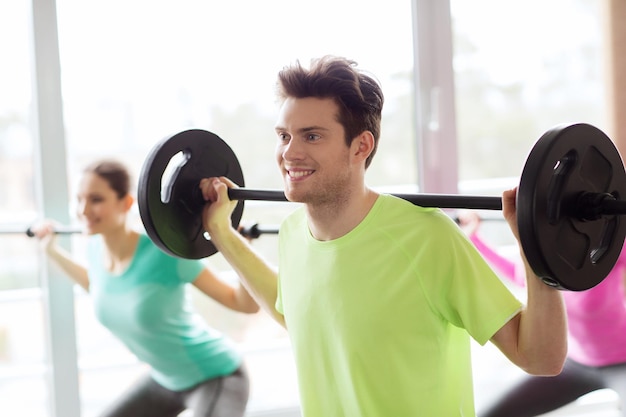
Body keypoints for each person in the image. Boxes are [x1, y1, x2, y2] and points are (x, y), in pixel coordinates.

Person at [198, 55, 568, 416]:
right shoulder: (294, 233)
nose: (290, 153)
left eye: (311, 136)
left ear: (361, 146)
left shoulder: (426, 238)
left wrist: (536, 246)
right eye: (284, 135)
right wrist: (221, 233)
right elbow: (298, 316)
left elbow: (539, 358)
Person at [31, 159, 259, 417]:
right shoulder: (95, 251)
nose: (83, 210)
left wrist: (242, 248)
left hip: (216, 374)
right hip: (165, 380)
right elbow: (101, 288)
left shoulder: (164, 252)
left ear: (126, 203)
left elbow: (244, 304)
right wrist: (52, 251)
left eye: (96, 200)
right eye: (79, 199)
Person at [459, 210, 626, 417]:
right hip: (573, 365)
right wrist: (474, 238)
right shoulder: (546, 259)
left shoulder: (609, 248)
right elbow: (519, 276)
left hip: (622, 362)